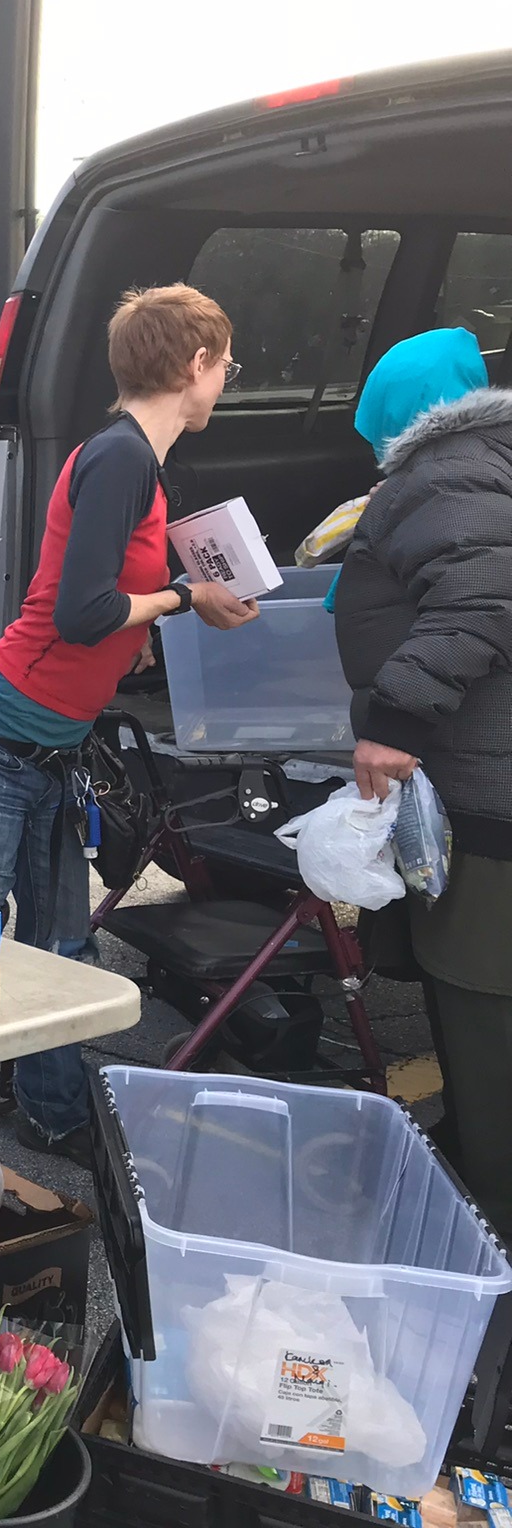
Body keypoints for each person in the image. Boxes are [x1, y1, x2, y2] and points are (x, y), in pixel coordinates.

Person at [0, 284, 261, 1163]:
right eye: (225, 364)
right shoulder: (121, 460)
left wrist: (142, 633)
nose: (225, 379)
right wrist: (185, 597)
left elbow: (101, 609)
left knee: (61, 945)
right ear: (194, 365)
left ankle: (55, 1114)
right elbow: (80, 613)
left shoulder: (134, 463)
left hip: (48, 745)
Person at [334, 325, 512, 1228]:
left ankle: (492, 1226)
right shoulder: (479, 467)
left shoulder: (447, 472)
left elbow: (483, 596)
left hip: (492, 808)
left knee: (485, 1006)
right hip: (484, 786)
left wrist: (394, 722)